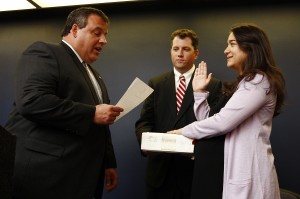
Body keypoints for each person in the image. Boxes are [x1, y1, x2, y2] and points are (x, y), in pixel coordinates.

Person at [4, 7, 123, 199]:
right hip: (43, 179)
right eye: (97, 32)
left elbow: (101, 126)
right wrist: (91, 113)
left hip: (80, 178)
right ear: (75, 30)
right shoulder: (44, 52)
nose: (104, 40)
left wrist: (108, 163)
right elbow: (32, 101)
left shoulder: (95, 75)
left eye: (105, 35)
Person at [169, 23, 286, 199]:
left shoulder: (258, 82)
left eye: (232, 44)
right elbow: (210, 122)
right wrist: (199, 93)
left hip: (251, 174)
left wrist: (183, 132)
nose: (226, 50)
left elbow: (222, 123)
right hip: (236, 172)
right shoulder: (246, 84)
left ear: (250, 47)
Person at [135, 29, 226, 199]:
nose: (180, 54)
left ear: (196, 53)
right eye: (175, 49)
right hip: (159, 174)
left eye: (186, 49)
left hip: (193, 174)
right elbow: (144, 122)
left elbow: (215, 127)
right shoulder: (156, 83)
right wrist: (146, 145)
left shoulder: (213, 85)